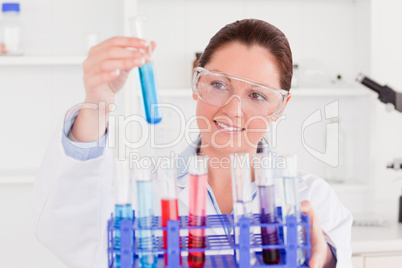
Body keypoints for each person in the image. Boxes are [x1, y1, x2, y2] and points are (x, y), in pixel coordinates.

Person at [33, 19, 352, 268]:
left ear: (280, 107)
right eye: (218, 84)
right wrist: (97, 101)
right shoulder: (144, 190)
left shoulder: (311, 198)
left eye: (256, 95)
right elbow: (73, 236)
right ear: (196, 84)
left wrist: (322, 258)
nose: (232, 109)